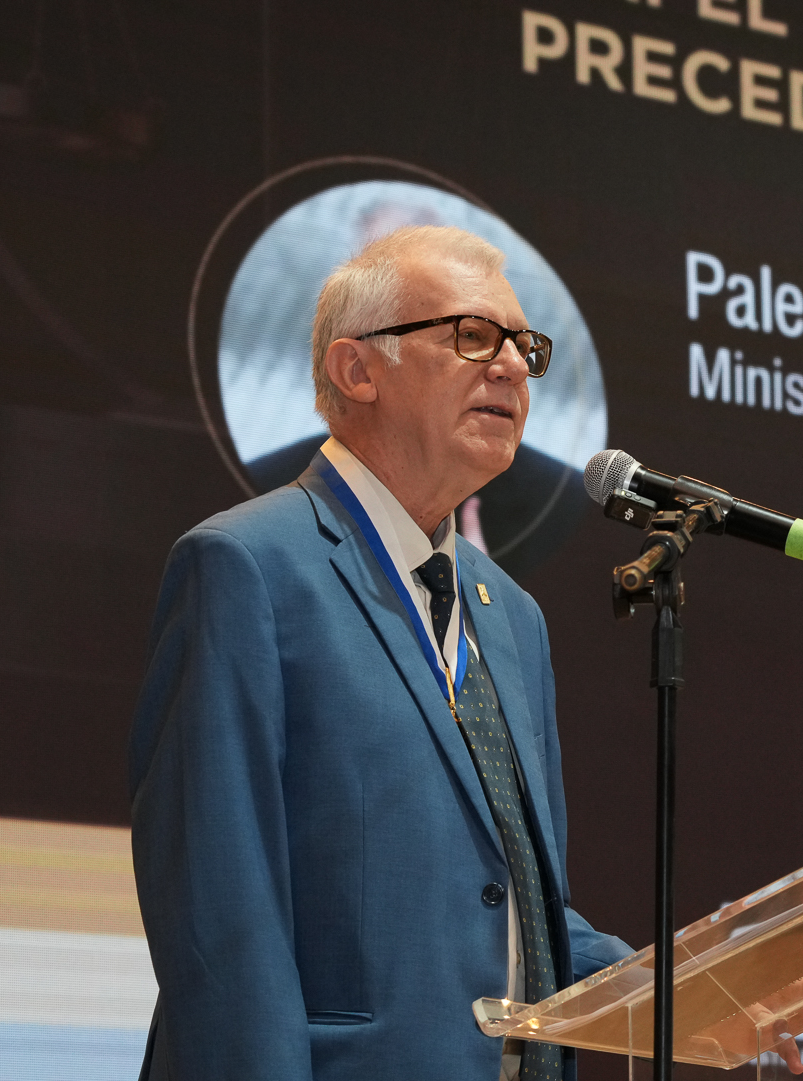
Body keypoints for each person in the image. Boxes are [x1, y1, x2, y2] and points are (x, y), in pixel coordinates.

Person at [129, 226, 629, 1081]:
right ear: (356, 370)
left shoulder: (512, 615)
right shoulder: (247, 567)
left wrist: (713, 992)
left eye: (524, 345)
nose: (511, 366)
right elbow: (220, 914)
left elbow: (521, 917)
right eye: (474, 336)